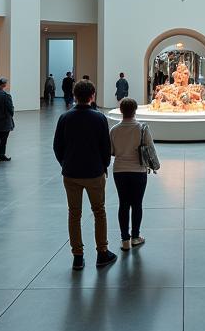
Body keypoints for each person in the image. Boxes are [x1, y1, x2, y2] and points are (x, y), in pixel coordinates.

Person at [53, 79, 116, 270]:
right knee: (99, 212)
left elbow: (57, 147)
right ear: (92, 96)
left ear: (74, 95)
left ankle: (77, 256)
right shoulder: (99, 118)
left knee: (74, 214)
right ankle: (102, 252)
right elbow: (106, 147)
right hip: (94, 172)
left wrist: (65, 163)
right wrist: (104, 165)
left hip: (71, 173)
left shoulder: (65, 118)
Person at [110, 97, 156, 250]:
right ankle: (135, 237)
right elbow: (150, 149)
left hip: (120, 171)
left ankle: (124, 239)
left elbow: (111, 151)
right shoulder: (142, 129)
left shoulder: (114, 130)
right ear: (135, 110)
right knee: (137, 204)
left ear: (121, 110)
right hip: (138, 170)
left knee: (123, 204)